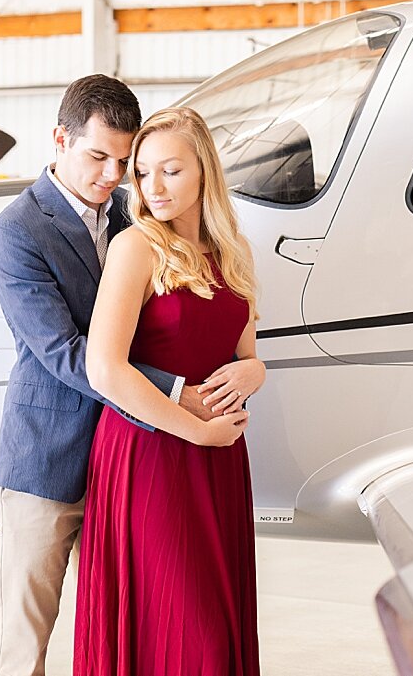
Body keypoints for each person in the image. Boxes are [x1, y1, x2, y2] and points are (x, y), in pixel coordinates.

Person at [0, 76, 224, 676]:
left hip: (132, 461)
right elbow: (64, 351)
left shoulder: (136, 217)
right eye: (97, 157)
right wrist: (175, 395)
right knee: (25, 639)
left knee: (124, 624)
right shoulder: (16, 231)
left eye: (124, 161)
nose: (112, 176)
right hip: (48, 457)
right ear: (60, 139)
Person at [75, 106, 266, 676]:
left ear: (204, 171)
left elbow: (244, 356)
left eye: (171, 171)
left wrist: (256, 374)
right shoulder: (137, 247)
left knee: (211, 623)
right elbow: (104, 369)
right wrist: (199, 432)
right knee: (188, 632)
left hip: (218, 462)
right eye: (142, 172)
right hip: (150, 455)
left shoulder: (233, 252)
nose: (152, 187)